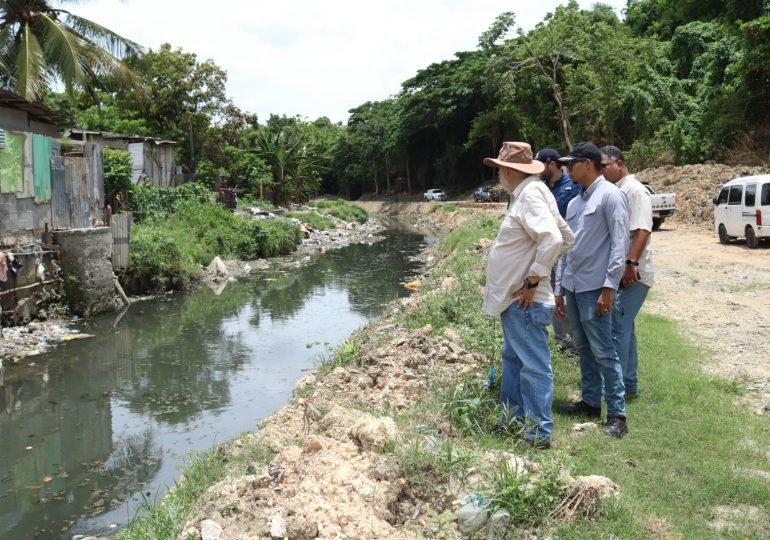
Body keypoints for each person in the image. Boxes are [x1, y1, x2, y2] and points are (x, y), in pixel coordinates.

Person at [482, 142, 574, 449]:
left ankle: (538, 433)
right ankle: (513, 417)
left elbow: (553, 238)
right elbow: (567, 236)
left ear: (508, 170)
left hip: (525, 299)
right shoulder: (533, 192)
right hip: (517, 300)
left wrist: (534, 278)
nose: (499, 175)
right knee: (513, 359)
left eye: (499, 169)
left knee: (533, 365)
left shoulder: (531, 194)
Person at [554, 142, 630, 438]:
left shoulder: (611, 196)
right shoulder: (575, 203)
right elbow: (567, 248)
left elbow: (619, 243)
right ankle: (589, 401)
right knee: (583, 348)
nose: (567, 169)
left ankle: (617, 415)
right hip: (573, 285)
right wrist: (560, 288)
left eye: (571, 164)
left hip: (595, 286)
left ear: (588, 163)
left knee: (604, 351)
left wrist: (610, 286)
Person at [600, 146, 653, 399]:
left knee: (618, 328)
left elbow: (642, 230)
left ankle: (615, 388)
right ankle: (628, 385)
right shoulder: (616, 190)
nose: (602, 170)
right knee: (625, 328)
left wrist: (631, 263)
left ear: (619, 164)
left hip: (634, 273)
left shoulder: (634, 190)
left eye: (604, 165)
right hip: (624, 271)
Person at [535, 148, 580, 353]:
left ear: (551, 163)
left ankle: (573, 340)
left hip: (567, 249)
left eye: (540, 165)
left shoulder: (573, 186)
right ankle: (561, 340)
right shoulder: (541, 188)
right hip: (547, 251)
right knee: (552, 294)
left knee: (566, 293)